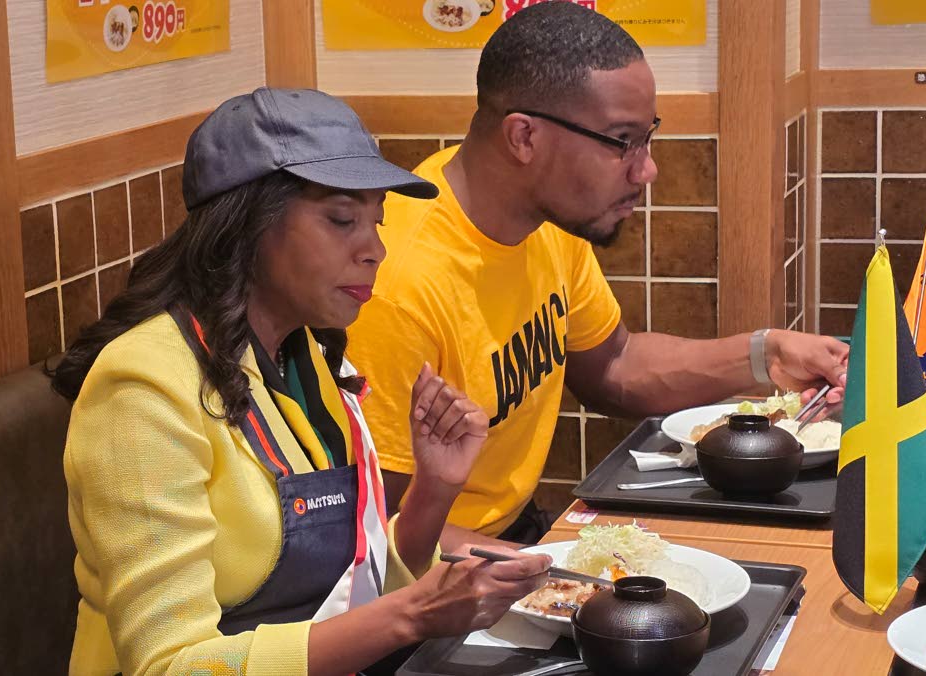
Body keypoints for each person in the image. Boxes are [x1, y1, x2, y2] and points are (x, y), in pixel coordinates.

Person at [48, 87, 550, 676]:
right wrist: (412, 615)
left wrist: (433, 493)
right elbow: (169, 665)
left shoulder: (306, 355)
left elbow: (352, 596)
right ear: (248, 224)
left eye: (376, 222)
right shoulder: (140, 391)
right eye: (342, 220)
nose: (377, 250)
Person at [345, 2, 850, 548]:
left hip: (517, 534)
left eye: (648, 137)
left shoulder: (546, 217)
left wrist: (768, 355)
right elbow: (378, 527)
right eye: (621, 142)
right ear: (523, 138)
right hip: (431, 574)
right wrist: (559, 573)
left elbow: (613, 362)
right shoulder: (394, 284)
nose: (647, 169)